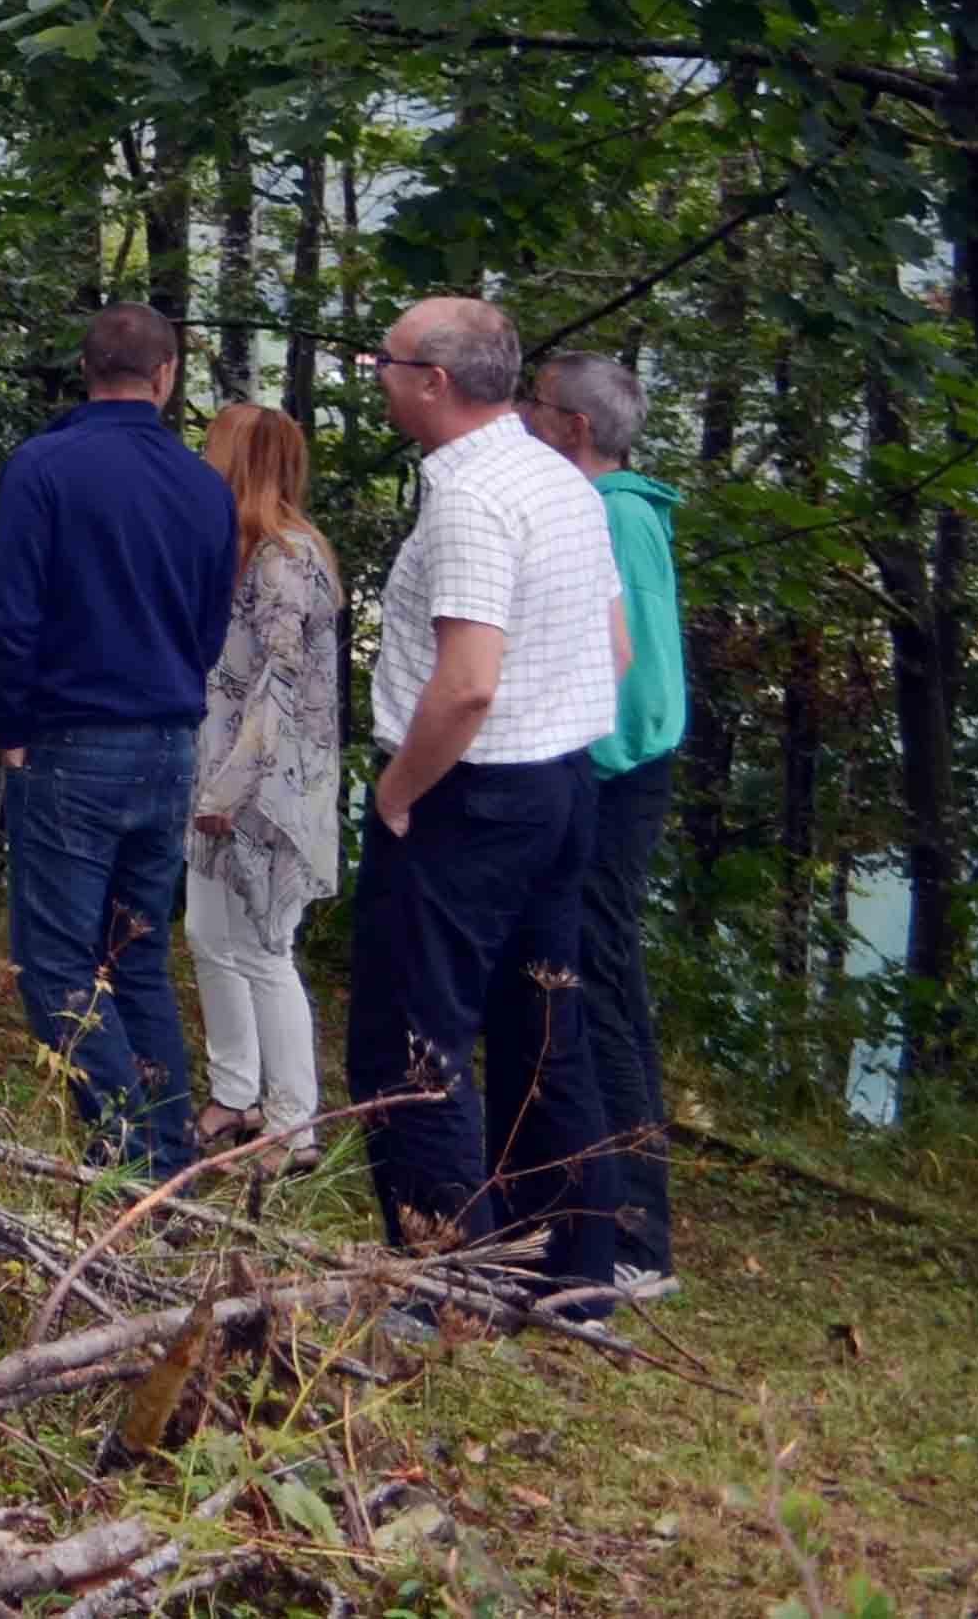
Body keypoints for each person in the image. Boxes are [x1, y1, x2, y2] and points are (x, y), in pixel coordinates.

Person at [347, 296, 627, 1302]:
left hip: (469, 799)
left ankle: (449, 1287)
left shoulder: (470, 500)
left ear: (433, 380)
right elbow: (618, 651)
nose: (375, 371)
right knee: (545, 1030)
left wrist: (395, 791)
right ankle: (577, 1276)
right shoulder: (563, 483)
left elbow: (467, 682)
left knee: (410, 1041)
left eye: (385, 358)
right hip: (561, 787)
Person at [0, 303, 238, 1176]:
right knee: (135, 958)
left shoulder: (43, 467)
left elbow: (9, 616)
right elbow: (208, 626)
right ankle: (166, 1159)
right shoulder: (205, 487)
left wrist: (14, 730)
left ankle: (129, 1153)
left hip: (71, 741)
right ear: (165, 378)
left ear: (84, 370)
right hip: (166, 743)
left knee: (55, 966)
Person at [529, 347, 688, 1301]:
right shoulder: (622, 509)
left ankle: (636, 1238)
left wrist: (574, 761)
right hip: (616, 774)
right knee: (586, 994)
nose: (524, 418)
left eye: (537, 406)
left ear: (574, 429)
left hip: (612, 781)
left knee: (602, 1000)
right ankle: (586, 1204)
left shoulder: (609, 516)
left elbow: (628, 671)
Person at [184, 404, 342, 1162]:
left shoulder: (287, 555)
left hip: (265, 789)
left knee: (263, 948)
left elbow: (277, 684)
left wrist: (229, 789)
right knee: (209, 937)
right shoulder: (237, 551)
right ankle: (234, 1094)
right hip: (216, 772)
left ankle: (291, 1123)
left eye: (213, 447)